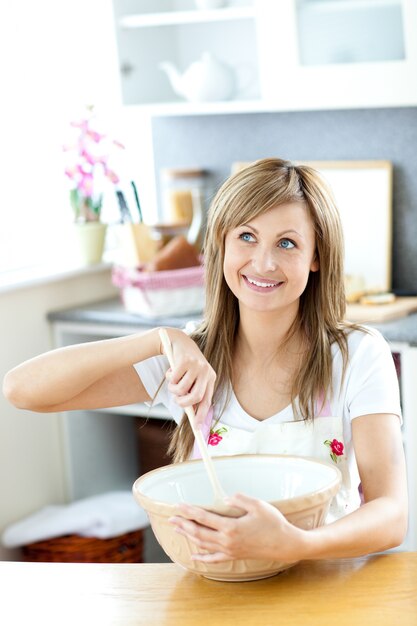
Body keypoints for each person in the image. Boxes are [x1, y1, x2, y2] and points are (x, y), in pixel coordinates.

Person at [3, 158, 407, 565]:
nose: (264, 263)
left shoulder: (356, 354)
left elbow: (391, 514)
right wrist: (160, 339)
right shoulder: (188, 361)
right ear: (222, 242)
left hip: (326, 585)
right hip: (216, 592)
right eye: (247, 236)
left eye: (287, 243)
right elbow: (22, 390)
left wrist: (296, 546)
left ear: (316, 256)